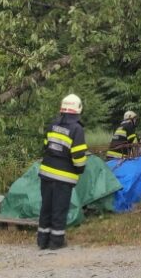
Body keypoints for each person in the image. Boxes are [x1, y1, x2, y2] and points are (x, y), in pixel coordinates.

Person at [37, 94, 87, 251]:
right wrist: (80, 169)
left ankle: (42, 241)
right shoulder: (77, 129)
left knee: (46, 207)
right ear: (78, 109)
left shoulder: (52, 125)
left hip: (46, 173)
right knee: (59, 209)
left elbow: (46, 147)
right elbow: (78, 156)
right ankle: (56, 242)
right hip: (63, 177)